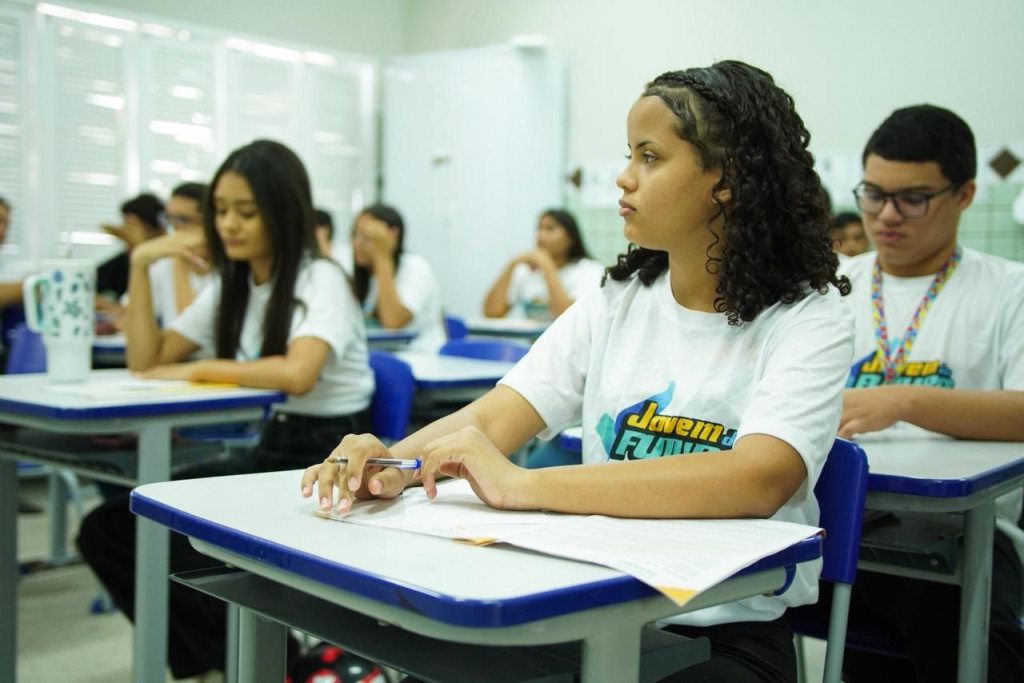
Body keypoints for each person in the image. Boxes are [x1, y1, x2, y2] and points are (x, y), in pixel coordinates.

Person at [303, 60, 854, 682]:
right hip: (591, 607)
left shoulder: (809, 314)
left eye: (650, 157)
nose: (623, 178)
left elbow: (759, 477)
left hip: (723, 632)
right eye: (629, 155)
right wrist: (394, 465)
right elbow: (495, 415)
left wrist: (524, 486)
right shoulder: (618, 299)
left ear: (726, 181)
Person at [78, 139, 375, 680]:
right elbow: (146, 359)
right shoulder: (232, 283)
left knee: (168, 531)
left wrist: (201, 366)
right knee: (114, 526)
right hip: (275, 444)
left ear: (282, 213)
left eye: (246, 211)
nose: (228, 225)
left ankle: (266, 664)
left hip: (330, 455)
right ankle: (221, 664)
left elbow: (297, 372)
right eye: (220, 211)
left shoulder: (319, 277)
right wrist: (143, 263)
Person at [835, 104, 1024, 682]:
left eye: (913, 198)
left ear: (964, 194)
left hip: (968, 536)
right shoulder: (833, 287)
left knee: (952, 626)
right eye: (873, 193)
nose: (886, 216)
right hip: (841, 521)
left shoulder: (1007, 289)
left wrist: (902, 400)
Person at [112, 182, 213, 335]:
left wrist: (179, 258)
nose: (174, 228)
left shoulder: (231, 267)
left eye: (183, 219)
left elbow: (194, 330)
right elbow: (126, 318)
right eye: (169, 218)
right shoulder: (162, 265)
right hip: (173, 356)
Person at [351, 204, 446, 351]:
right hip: (380, 355)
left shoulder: (415, 267)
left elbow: (393, 322)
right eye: (355, 234)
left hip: (420, 356)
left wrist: (382, 256)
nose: (357, 244)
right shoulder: (364, 273)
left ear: (393, 236)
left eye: (367, 237)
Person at [483, 209, 605, 320]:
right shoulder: (526, 272)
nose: (542, 236)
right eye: (539, 229)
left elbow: (567, 316)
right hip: (535, 343)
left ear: (570, 238)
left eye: (550, 229)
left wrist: (547, 265)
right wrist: (512, 264)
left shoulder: (589, 270)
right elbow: (491, 313)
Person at [95, 193, 166, 316]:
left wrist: (139, 247)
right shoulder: (118, 263)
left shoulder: (168, 262)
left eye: (133, 225)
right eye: (124, 223)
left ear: (157, 230)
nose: (125, 229)